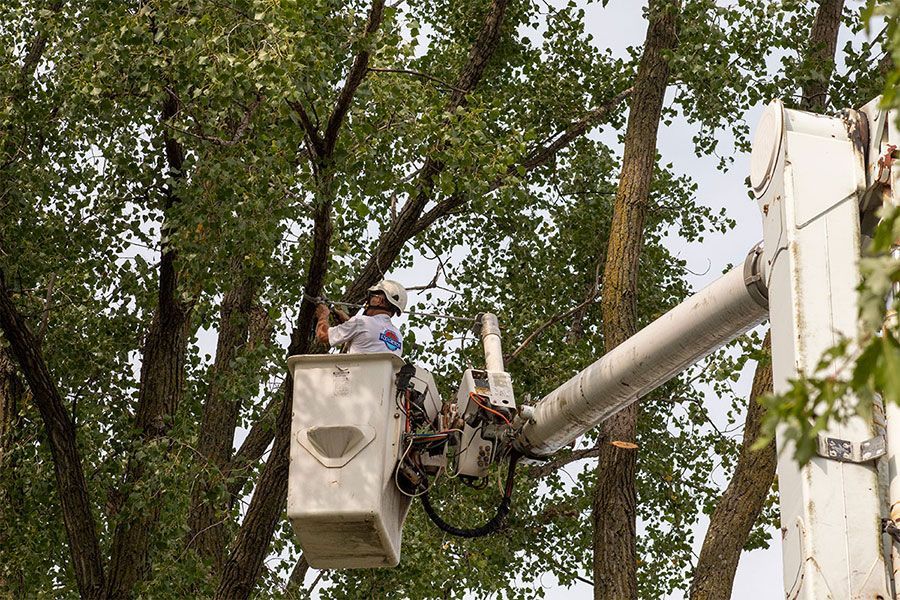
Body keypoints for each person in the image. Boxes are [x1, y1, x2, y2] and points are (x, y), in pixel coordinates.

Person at [314, 280, 407, 356]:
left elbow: (323, 335)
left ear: (379, 300)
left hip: (356, 377)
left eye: (372, 297)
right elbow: (369, 337)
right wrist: (348, 322)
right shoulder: (398, 337)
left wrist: (323, 315)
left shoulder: (361, 322)